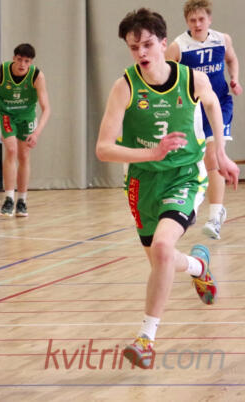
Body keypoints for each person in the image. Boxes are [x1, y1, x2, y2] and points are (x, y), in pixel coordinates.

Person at [95, 8, 239, 369]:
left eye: (147, 45)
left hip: (184, 176)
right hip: (142, 182)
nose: (141, 53)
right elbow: (103, 148)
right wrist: (151, 153)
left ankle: (146, 339)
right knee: (162, 259)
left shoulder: (191, 80)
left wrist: (220, 153)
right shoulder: (125, 86)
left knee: (161, 248)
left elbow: (213, 105)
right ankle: (198, 265)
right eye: (134, 48)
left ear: (163, 43)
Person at [166, 0, 242, 240]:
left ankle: (215, 216)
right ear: (186, 22)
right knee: (194, 159)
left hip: (220, 104)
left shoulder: (222, 39)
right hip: (193, 109)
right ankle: (190, 206)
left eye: (201, 19)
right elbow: (167, 77)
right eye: (192, 20)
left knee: (213, 156)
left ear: (209, 19)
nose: (197, 24)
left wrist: (234, 78)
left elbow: (232, 59)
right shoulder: (178, 47)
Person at [0, 43, 51, 217]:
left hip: (26, 116)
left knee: (23, 155)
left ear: (31, 62)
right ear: (14, 58)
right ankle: (8, 198)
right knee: (11, 149)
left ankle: (22, 200)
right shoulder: (1, 71)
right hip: (6, 114)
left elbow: (46, 108)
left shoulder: (37, 76)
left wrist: (36, 133)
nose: (22, 64)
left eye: (27, 61)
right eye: (20, 59)